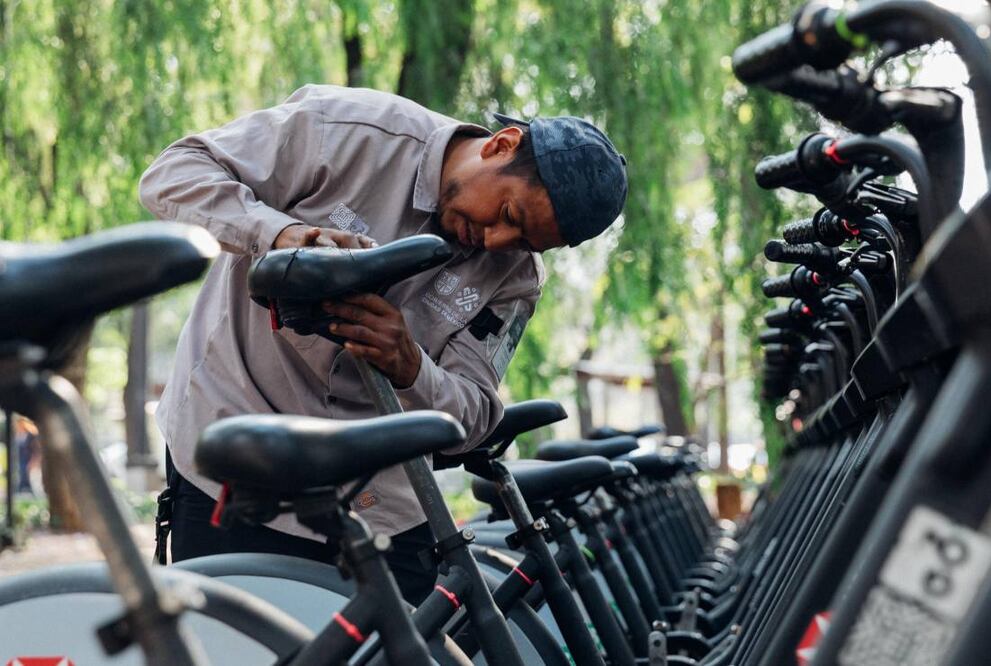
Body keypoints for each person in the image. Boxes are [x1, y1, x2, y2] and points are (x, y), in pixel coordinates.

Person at [139, 84, 627, 605]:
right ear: (500, 145)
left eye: (527, 242)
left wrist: (411, 366)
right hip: (235, 463)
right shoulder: (347, 129)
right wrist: (282, 235)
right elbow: (173, 174)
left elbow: (476, 414)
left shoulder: (518, 279)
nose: (498, 244)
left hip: (375, 504)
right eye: (509, 216)